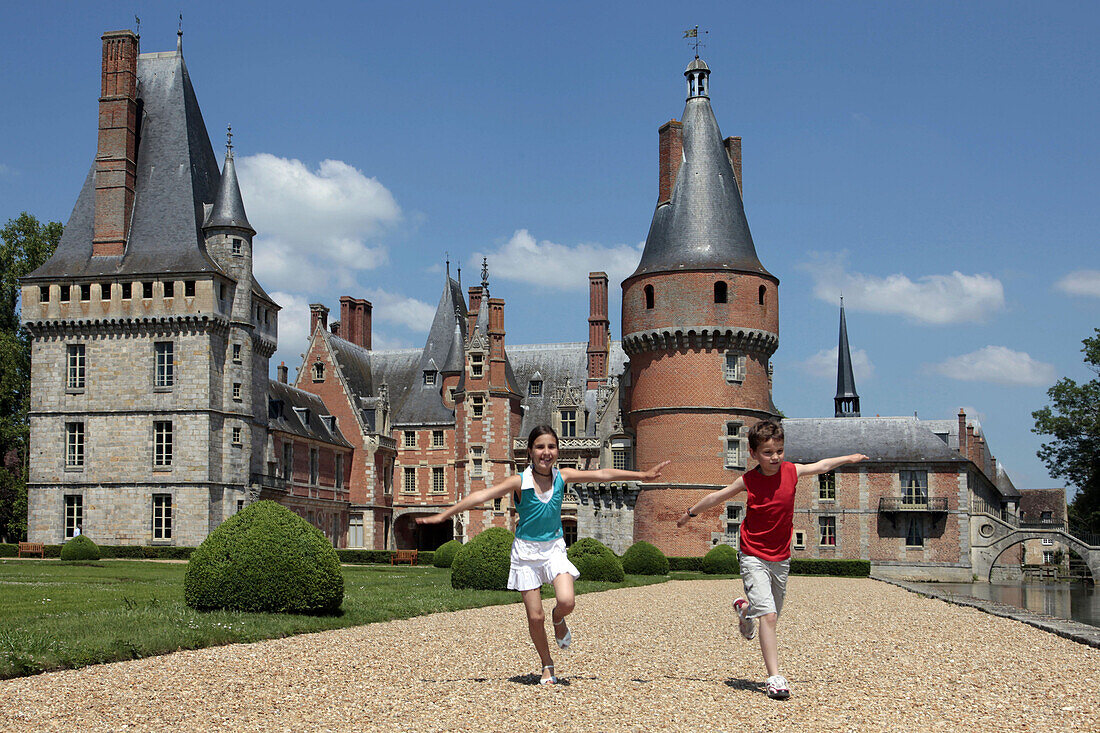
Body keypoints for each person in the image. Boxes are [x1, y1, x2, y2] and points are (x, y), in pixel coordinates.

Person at [418, 424, 670, 685]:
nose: (546, 452)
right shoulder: (519, 481)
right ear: (530, 451)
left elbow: (603, 473)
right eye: (540, 447)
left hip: (553, 549)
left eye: (551, 446)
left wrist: (642, 474)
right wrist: (445, 515)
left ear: (557, 451)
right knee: (534, 616)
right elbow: (482, 494)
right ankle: (547, 664)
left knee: (567, 600)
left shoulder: (564, 476)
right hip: (526, 553)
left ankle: (558, 617)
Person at [676, 419, 867, 700]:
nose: (775, 457)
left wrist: (850, 458)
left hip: (781, 557)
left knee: (772, 612)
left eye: (779, 450)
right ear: (753, 454)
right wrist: (689, 513)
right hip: (752, 553)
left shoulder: (792, 471)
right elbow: (717, 496)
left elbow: (823, 465)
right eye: (767, 452)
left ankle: (743, 611)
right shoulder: (748, 480)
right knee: (769, 615)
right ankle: (775, 677)